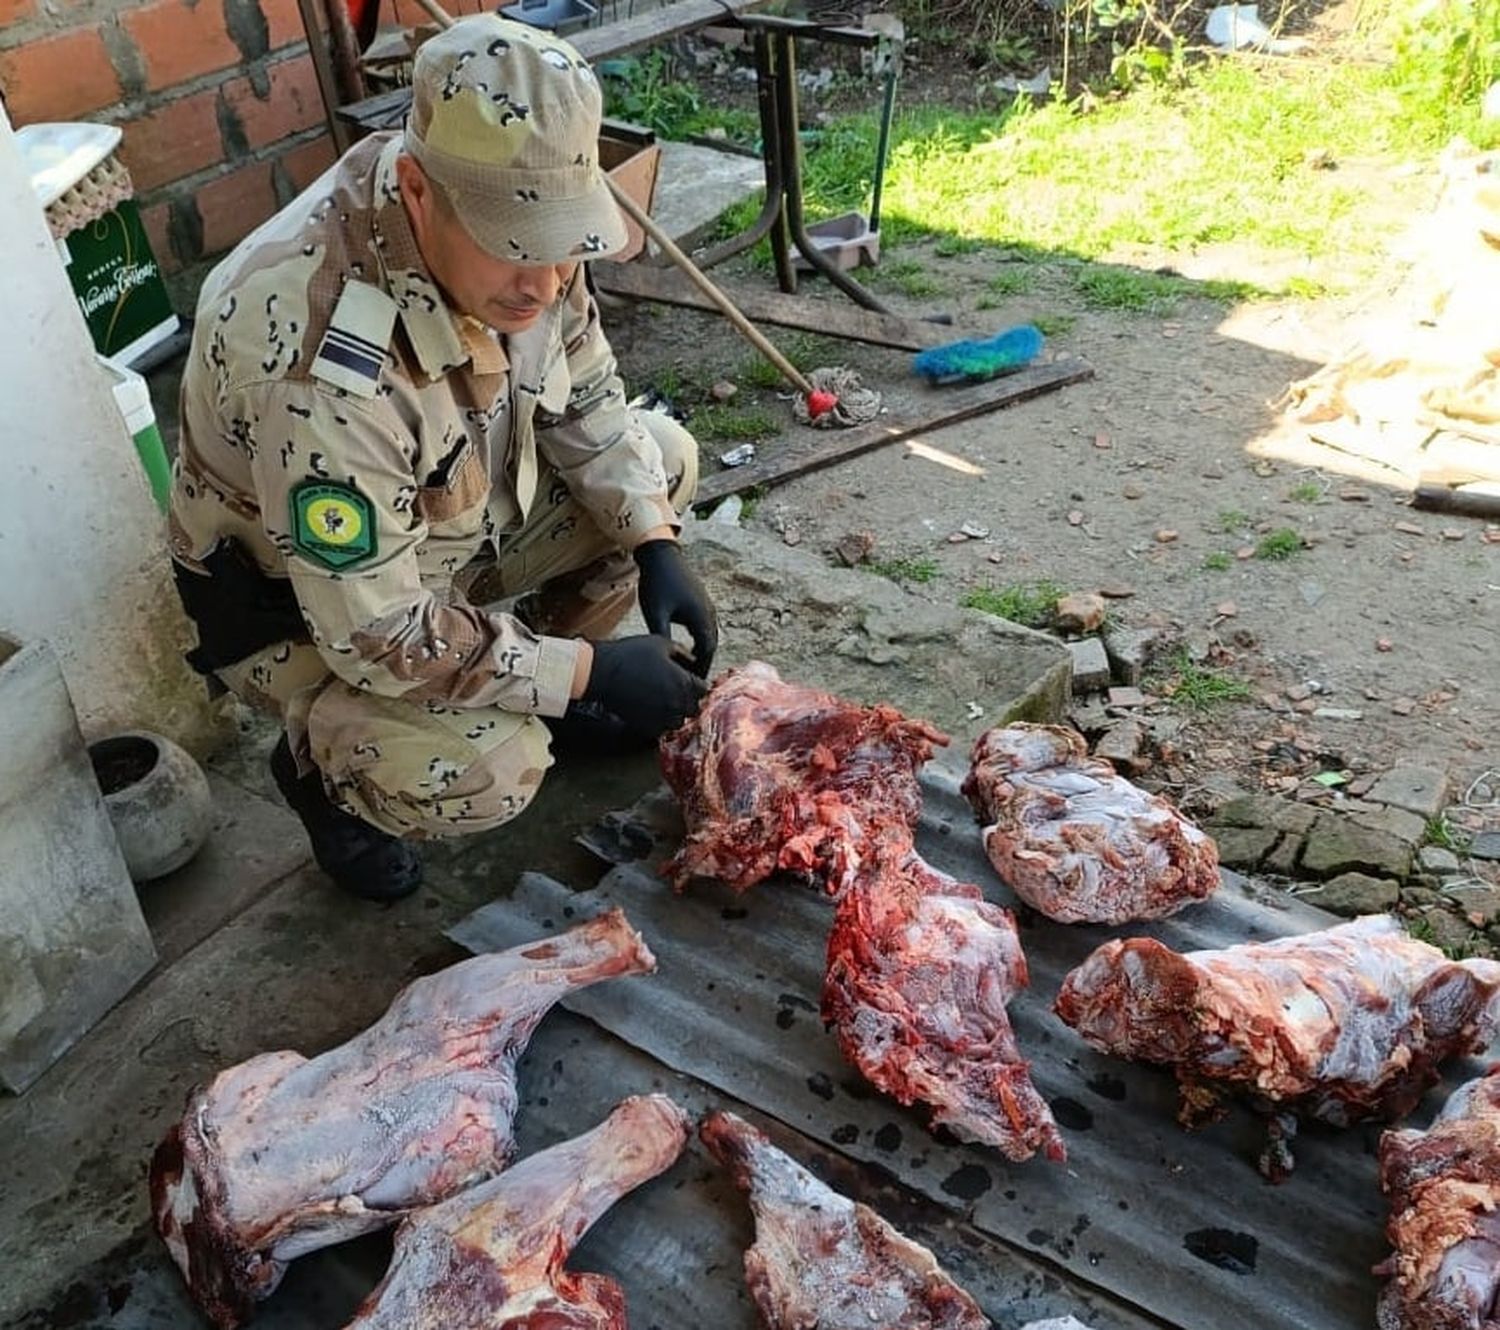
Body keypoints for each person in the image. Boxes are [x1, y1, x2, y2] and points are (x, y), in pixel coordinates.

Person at [167, 14, 718, 903]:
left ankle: (539, 686)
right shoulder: (317, 362)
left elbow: (585, 391)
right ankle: (326, 776)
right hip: (310, 615)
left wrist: (656, 542)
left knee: (664, 460)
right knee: (489, 770)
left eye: (559, 243)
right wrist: (587, 672)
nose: (542, 284)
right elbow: (376, 628)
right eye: (513, 245)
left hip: (448, 528)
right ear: (417, 191)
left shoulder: (518, 217)